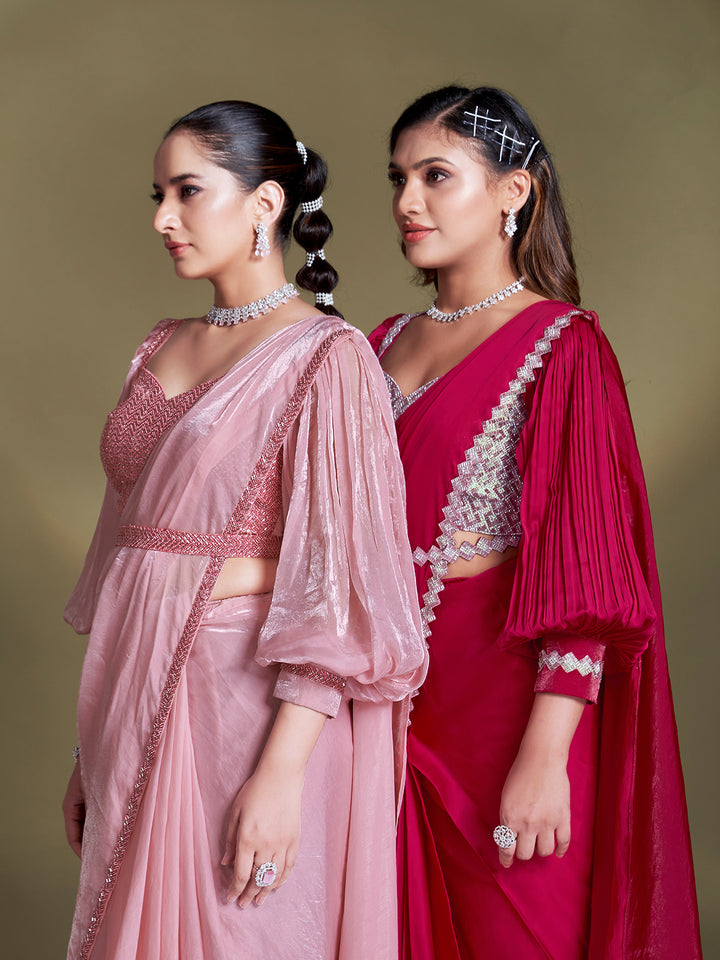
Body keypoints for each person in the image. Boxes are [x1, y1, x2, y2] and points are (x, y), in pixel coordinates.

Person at [61, 100, 428, 960]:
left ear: (265, 204)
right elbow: (127, 545)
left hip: (245, 708)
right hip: (135, 691)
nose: (163, 218)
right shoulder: (159, 345)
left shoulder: (327, 357)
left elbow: (342, 582)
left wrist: (282, 774)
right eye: (158, 195)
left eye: (188, 191)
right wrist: (91, 748)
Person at [369, 86, 702, 959]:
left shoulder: (562, 344)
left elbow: (587, 569)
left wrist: (545, 756)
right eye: (399, 178)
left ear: (513, 191)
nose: (408, 201)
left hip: (504, 716)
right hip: (373, 709)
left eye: (436, 176)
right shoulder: (375, 344)